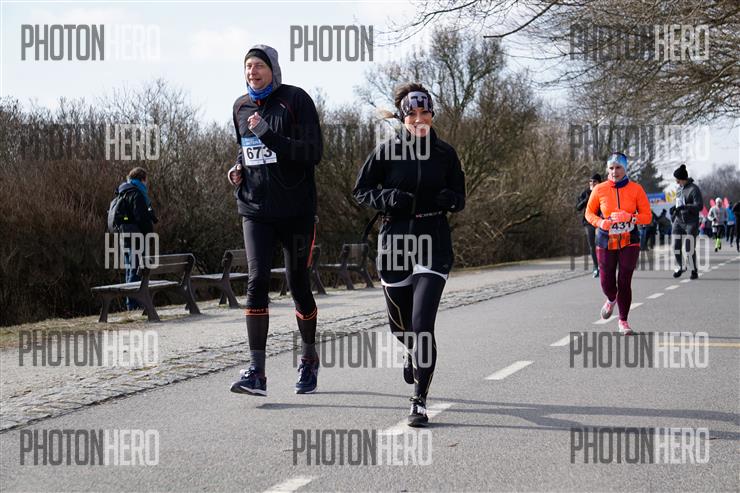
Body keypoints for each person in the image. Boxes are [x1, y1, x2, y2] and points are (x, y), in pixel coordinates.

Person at [353, 83, 465, 427]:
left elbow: (460, 197)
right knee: (400, 327)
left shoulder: (445, 153)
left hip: (434, 242)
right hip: (395, 242)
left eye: (424, 113)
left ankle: (419, 400)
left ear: (432, 114)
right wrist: (388, 198)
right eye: (412, 114)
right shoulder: (386, 152)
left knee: (422, 325)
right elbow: (361, 190)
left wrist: (450, 199)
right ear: (402, 118)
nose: (419, 119)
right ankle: (410, 351)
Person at [227, 44, 323, 396]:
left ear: (273, 69)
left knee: (298, 284)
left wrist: (269, 134)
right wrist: (238, 168)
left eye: (259, 66)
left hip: (296, 211)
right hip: (255, 210)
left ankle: (308, 358)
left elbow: (313, 153)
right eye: (248, 66)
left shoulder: (296, 100)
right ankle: (257, 372)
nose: (252, 72)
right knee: (256, 281)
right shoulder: (240, 106)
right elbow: (246, 150)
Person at [585, 152, 651, 335]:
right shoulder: (599, 189)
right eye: (611, 168)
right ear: (607, 169)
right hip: (606, 239)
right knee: (606, 282)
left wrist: (630, 217)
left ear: (625, 168)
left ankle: (623, 321)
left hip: (629, 240)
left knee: (624, 280)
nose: (615, 171)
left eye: (619, 167)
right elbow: (589, 213)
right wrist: (600, 222)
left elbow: (647, 216)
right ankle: (611, 298)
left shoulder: (636, 189)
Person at [114, 167, 158, 310]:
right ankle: (133, 305)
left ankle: (131, 303)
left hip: (124, 237)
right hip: (137, 238)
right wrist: (149, 233)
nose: (147, 183)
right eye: (146, 180)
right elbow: (142, 219)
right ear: (142, 179)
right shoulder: (137, 194)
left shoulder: (122, 192)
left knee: (130, 269)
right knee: (136, 271)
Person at [670, 164, 703, 279]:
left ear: (683, 179)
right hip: (678, 221)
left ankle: (694, 270)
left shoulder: (694, 189)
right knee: (675, 246)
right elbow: (679, 203)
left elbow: (699, 206)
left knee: (689, 248)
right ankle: (681, 266)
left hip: (691, 222)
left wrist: (686, 207)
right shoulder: (679, 189)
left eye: (678, 180)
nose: (676, 182)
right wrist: (674, 209)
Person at [576, 174, 602, 277]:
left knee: (601, 243)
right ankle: (596, 267)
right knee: (592, 245)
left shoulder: (604, 192)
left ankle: (604, 264)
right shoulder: (585, 193)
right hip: (588, 222)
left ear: (599, 182)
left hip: (601, 221)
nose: (592, 183)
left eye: (595, 181)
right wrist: (585, 200)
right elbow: (578, 207)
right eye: (590, 181)